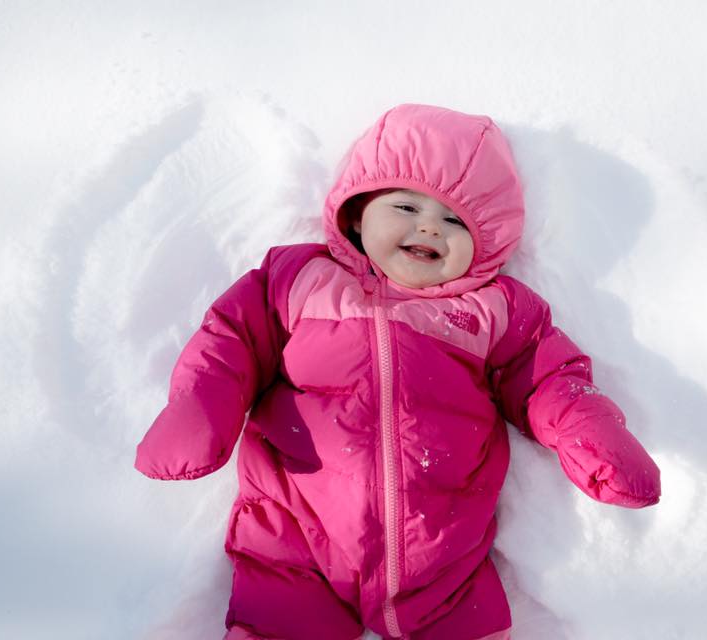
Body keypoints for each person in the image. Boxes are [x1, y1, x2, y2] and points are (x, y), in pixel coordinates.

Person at [135, 103, 661, 640]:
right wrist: (198, 412)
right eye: (406, 206)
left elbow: (550, 377)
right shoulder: (298, 280)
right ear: (360, 213)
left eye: (455, 219)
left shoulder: (493, 310)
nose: (429, 227)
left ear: (487, 244)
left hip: (442, 554)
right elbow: (231, 340)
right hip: (297, 537)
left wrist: (593, 434)